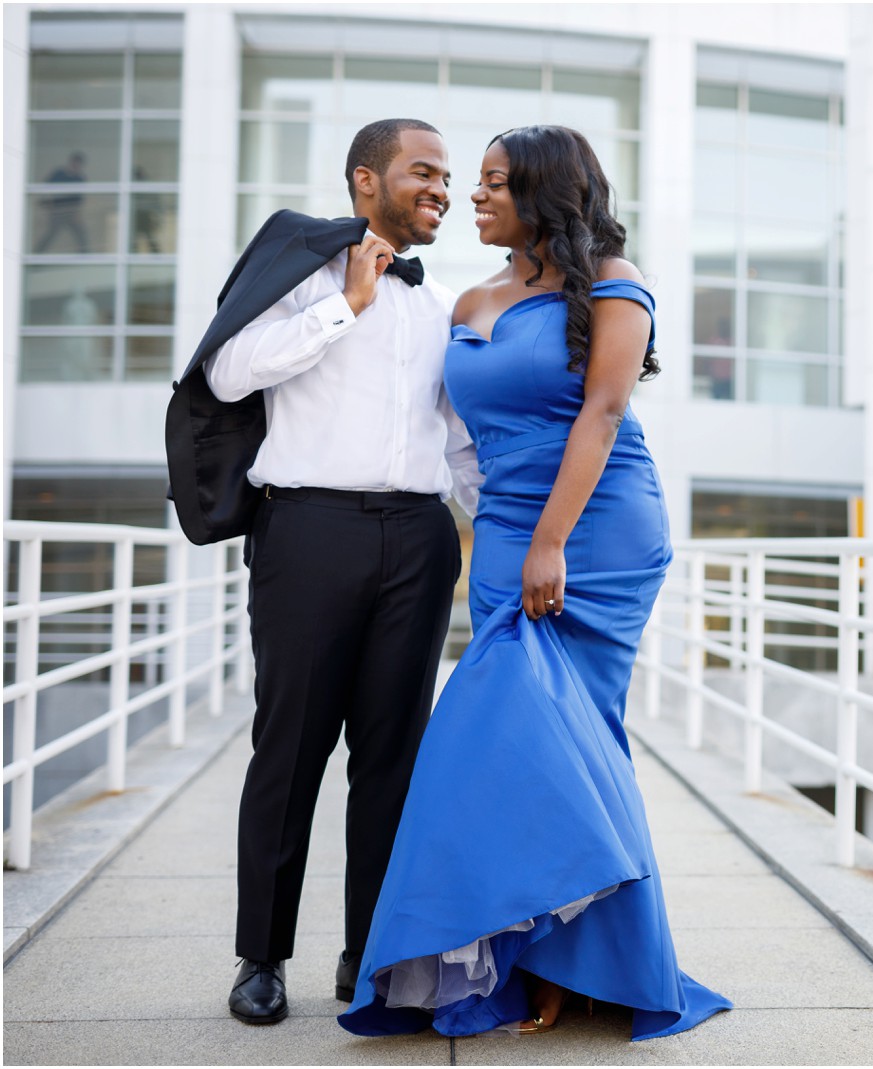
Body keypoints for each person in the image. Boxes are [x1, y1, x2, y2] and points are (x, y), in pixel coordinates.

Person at [338, 126, 731, 1041]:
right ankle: (546, 957)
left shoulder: (615, 283)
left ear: (546, 194)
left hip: (595, 527)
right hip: (505, 527)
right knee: (535, 743)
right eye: (474, 181)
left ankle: (581, 962)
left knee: (565, 729)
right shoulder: (471, 297)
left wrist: (550, 542)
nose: (474, 196)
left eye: (494, 182)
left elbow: (605, 410)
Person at [202, 119, 478, 1025]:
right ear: (367, 180)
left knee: (393, 758)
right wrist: (342, 307)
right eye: (423, 171)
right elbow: (228, 372)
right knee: (289, 749)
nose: (442, 189)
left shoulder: (442, 308)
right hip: (308, 532)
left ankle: (373, 956)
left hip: (419, 539)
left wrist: (506, 533)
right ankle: (261, 957)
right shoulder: (300, 277)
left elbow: (459, 444)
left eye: (448, 177)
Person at [35, 152, 88, 253]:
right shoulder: (59, 174)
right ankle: (38, 253)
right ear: (71, 162)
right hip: (57, 210)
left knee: (80, 232)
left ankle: (84, 253)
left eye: (78, 164)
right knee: (51, 233)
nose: (76, 166)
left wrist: (77, 213)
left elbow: (79, 199)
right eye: (75, 163)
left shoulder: (80, 179)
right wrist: (47, 202)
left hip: (70, 211)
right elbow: (46, 188)